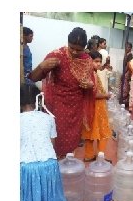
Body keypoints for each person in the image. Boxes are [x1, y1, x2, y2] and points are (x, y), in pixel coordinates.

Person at [29, 27, 95, 159]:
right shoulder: (57, 55)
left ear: (85, 47)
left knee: (72, 143)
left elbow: (92, 84)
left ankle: (67, 167)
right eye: (72, 48)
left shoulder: (87, 60)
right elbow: (34, 78)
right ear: (67, 43)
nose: (75, 52)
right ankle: (54, 167)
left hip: (76, 109)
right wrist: (42, 66)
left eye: (79, 49)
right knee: (55, 140)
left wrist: (89, 85)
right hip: (57, 107)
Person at [19, 83, 67, 201]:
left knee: (30, 200)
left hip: (27, 168)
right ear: (38, 100)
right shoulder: (49, 118)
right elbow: (52, 144)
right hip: (50, 165)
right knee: (50, 198)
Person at [81, 51, 112, 161]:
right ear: (89, 61)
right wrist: (106, 95)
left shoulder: (90, 72)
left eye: (100, 61)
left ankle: (89, 155)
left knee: (90, 131)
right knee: (103, 131)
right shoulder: (91, 74)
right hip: (97, 106)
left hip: (91, 107)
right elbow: (94, 94)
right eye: (96, 61)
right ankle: (100, 156)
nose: (98, 64)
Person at [119, 42, 133, 108]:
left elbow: (128, 65)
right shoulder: (127, 54)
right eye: (126, 47)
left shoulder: (130, 55)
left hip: (127, 73)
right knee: (124, 87)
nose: (126, 48)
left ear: (130, 48)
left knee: (125, 87)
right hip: (126, 72)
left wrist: (124, 73)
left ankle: (124, 102)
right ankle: (124, 101)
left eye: (128, 47)